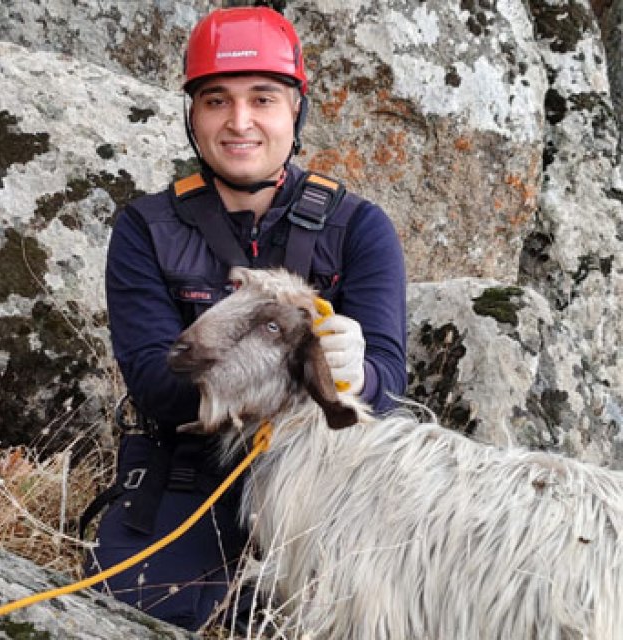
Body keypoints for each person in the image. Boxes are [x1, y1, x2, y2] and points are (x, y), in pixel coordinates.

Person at [85, 7, 407, 631]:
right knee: (147, 617)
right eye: (215, 100)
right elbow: (155, 384)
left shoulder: (360, 229)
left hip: (333, 482)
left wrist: (353, 374)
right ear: (193, 116)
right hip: (190, 474)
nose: (240, 122)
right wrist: (291, 371)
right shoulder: (147, 228)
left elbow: (388, 385)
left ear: (295, 111)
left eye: (263, 98)